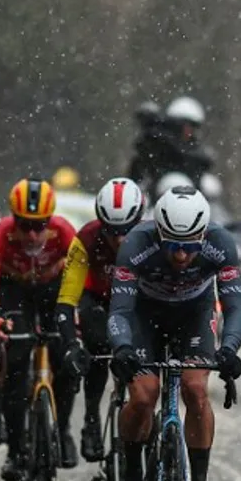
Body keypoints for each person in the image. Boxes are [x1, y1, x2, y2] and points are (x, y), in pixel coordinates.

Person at [108, 185, 241, 481]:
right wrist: (122, 348)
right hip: (144, 316)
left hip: (193, 315)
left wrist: (229, 349)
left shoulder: (221, 243)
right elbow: (120, 311)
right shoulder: (136, 244)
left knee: (196, 390)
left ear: (202, 235)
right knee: (143, 395)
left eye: (189, 246)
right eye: (172, 245)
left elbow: (234, 309)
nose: (182, 255)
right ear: (159, 232)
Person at [0, 178, 76, 481]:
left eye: (39, 224)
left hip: (51, 292)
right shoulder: (0, 234)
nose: (32, 234)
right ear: (13, 219)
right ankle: (16, 451)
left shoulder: (63, 232)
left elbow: (78, 283)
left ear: (50, 220)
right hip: (15, 292)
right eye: (25, 225)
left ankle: (62, 431)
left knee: (67, 361)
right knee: (17, 361)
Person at [55, 177, 146, 462]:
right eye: (112, 231)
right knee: (97, 340)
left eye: (126, 232)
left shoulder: (152, 237)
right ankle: (92, 420)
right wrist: (71, 343)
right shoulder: (87, 238)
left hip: (136, 299)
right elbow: (67, 299)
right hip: (97, 298)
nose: (119, 240)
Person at [128, 97, 214, 195]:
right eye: (187, 126)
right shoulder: (157, 145)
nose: (190, 132)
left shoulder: (194, 154)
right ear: (177, 124)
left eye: (193, 127)